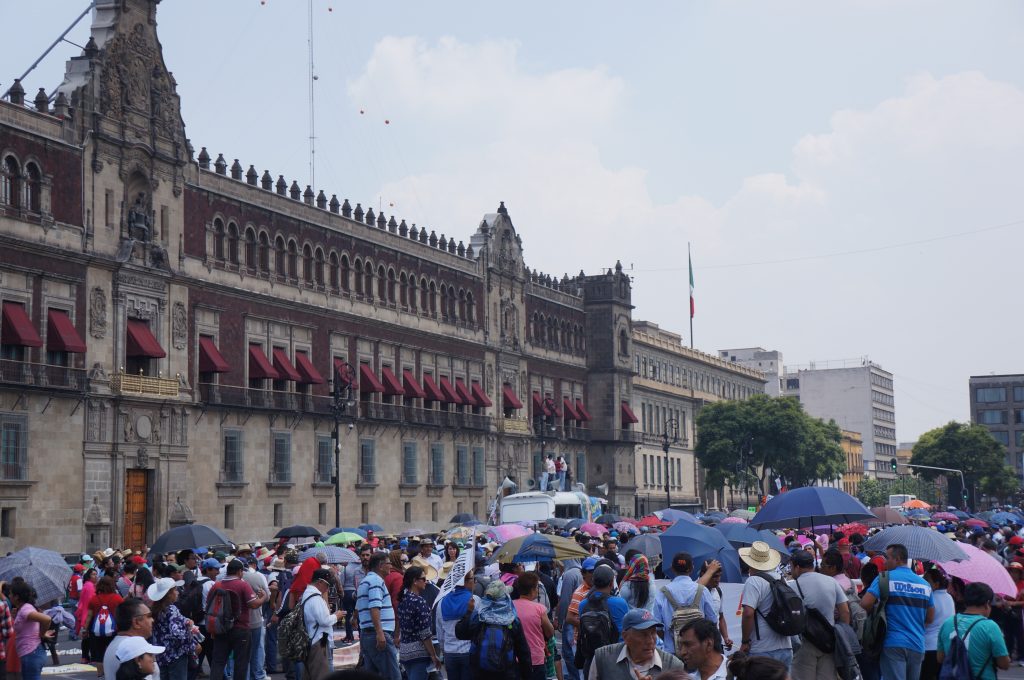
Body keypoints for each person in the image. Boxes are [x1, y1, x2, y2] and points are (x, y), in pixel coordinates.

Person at [860, 543, 935, 680]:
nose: (884, 562)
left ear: (898, 558)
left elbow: (865, 603)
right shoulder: (924, 585)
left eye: (887, 558)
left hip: (892, 642)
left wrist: (878, 613)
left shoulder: (884, 578)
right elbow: (930, 618)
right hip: (917, 644)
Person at [787, 548, 849, 680]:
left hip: (805, 642)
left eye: (791, 567)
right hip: (829, 641)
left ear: (797, 567)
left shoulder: (792, 587)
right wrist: (841, 637)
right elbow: (845, 611)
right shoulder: (831, 581)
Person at [454, 580, 532, 680]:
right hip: (507, 674)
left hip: (480, 674)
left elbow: (459, 633)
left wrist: (469, 611)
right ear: (505, 598)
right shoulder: (512, 621)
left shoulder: (478, 618)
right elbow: (523, 653)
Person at [207, 559, 268, 680]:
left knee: (218, 662)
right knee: (241, 663)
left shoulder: (217, 585)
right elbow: (253, 604)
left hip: (221, 628)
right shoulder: (242, 584)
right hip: (241, 629)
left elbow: (208, 605)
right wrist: (263, 597)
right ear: (240, 571)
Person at [936, 582, 1011, 680]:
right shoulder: (990, 626)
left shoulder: (947, 623)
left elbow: (940, 658)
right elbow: (1004, 664)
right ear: (987, 604)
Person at [586, 608, 685, 679]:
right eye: (643, 635)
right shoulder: (603, 658)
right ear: (625, 637)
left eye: (653, 633)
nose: (650, 641)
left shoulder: (674, 666)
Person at [737, 541, 792, 670]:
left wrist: (745, 641)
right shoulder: (781, 579)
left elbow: (748, 613)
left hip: (762, 648)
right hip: (785, 646)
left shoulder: (754, 581)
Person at [653, 552, 717, 655]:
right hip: (699, 652)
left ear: (672, 568)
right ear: (692, 568)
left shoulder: (663, 593)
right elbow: (712, 621)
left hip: (672, 652)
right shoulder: (702, 590)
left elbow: (658, 627)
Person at [355, 552, 401, 680]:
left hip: (368, 633)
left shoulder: (366, 580)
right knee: (393, 676)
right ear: (381, 566)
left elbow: (360, 605)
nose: (390, 566)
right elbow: (374, 607)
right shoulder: (375, 581)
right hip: (378, 634)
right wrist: (380, 633)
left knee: (374, 674)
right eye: (388, 563)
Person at [396, 567, 441, 680]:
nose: (426, 581)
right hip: (419, 653)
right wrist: (433, 655)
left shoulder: (403, 600)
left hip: (405, 651)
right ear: (415, 581)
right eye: (423, 578)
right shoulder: (419, 602)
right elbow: (425, 633)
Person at [147, 578, 196, 680]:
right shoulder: (171, 610)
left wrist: (186, 621)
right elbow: (178, 634)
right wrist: (192, 640)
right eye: (175, 590)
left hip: (161, 654)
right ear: (169, 594)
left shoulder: (156, 609)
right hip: (175, 655)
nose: (177, 592)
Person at [300, 569, 345, 680]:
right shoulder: (315, 598)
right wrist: (336, 616)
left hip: (316, 638)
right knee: (321, 674)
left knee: (313, 673)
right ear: (320, 582)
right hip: (318, 640)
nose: (328, 588)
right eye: (327, 584)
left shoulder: (309, 594)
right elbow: (324, 621)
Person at [435, 568, 478, 680]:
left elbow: (440, 631)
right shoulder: (475, 601)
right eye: (474, 579)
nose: (475, 582)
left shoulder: (441, 602)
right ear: (466, 581)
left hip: (450, 652)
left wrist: (444, 650)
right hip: (469, 651)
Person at [513, 572, 554, 680]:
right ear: (532, 589)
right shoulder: (539, 609)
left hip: (515, 657)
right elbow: (550, 633)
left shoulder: (510, 606)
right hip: (535, 658)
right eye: (536, 587)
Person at [103, 598, 157, 680]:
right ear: (136, 622)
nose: (152, 620)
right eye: (149, 616)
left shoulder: (115, 645)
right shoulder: (135, 649)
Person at [10, 581, 52, 680]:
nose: (9, 596)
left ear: (16, 597)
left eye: (11, 593)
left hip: (31, 652)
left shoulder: (25, 610)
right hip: (31, 652)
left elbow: (47, 619)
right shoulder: (23, 609)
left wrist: (42, 634)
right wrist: (15, 616)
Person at [84, 576, 125, 677]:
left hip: (97, 630)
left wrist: (85, 629)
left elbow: (89, 615)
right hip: (114, 629)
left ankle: (100, 674)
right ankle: (115, 673)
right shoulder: (117, 598)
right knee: (115, 651)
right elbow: (123, 613)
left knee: (98, 653)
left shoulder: (94, 599)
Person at [921, 567, 955, 679]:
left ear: (936, 584)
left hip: (928, 646)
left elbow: (923, 622)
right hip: (945, 646)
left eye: (927, 581)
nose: (923, 583)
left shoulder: (930, 600)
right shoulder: (949, 598)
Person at [241, 561, 270, 680]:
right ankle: (257, 675)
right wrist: (262, 597)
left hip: (238, 623)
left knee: (241, 654)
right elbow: (266, 596)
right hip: (255, 620)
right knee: (256, 650)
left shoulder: (223, 580)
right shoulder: (256, 577)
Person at [697, 560, 732, 652]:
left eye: (720, 576)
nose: (718, 579)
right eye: (715, 576)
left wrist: (726, 638)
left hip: (715, 642)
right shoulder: (694, 589)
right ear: (703, 574)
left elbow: (720, 618)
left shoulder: (718, 591)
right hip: (698, 643)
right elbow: (695, 589)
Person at [341, 545, 371, 643]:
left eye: (367, 555)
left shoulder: (376, 570)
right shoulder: (356, 571)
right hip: (359, 602)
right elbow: (357, 589)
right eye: (363, 555)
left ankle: (350, 636)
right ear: (359, 556)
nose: (365, 557)